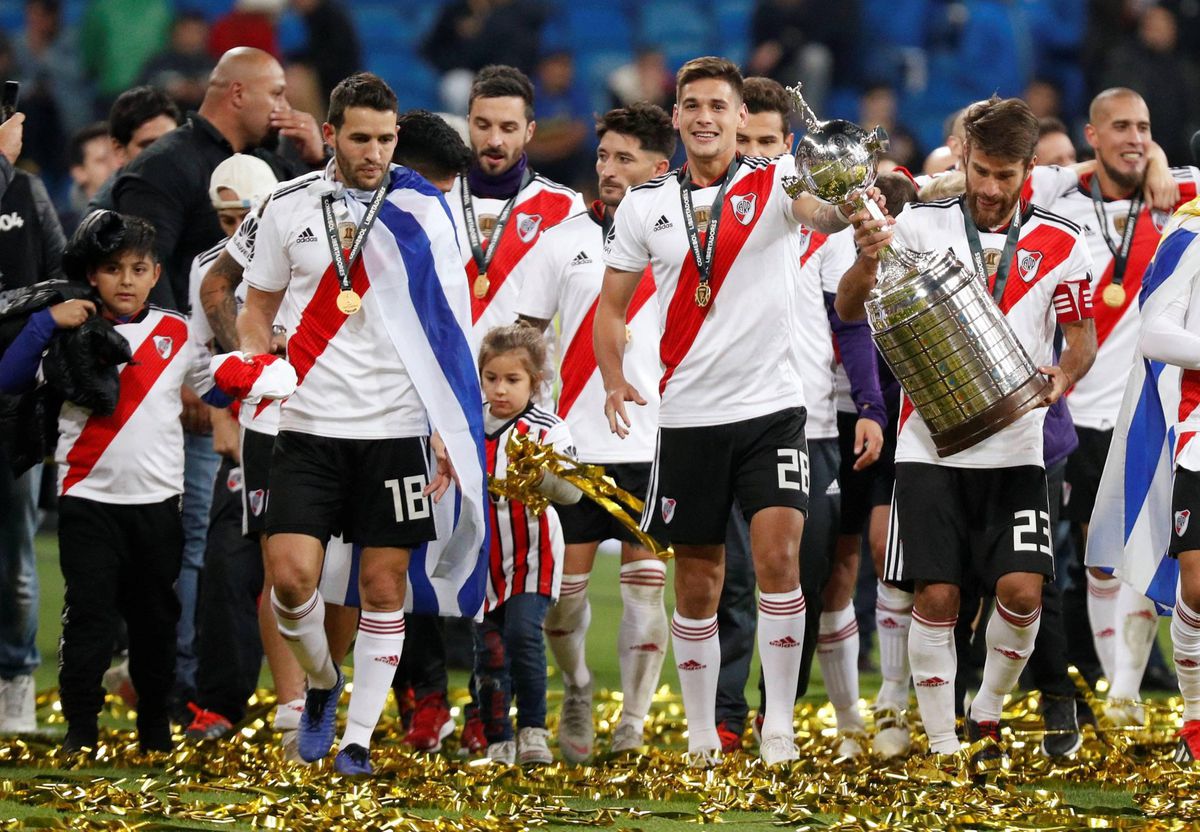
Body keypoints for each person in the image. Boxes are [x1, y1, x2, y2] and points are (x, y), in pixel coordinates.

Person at [597, 56, 861, 767]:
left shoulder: (776, 180)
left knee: (779, 559)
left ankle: (777, 725)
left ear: (742, 119)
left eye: (720, 105)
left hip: (775, 410)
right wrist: (614, 376)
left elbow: (823, 212)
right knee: (699, 579)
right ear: (676, 117)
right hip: (687, 417)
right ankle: (700, 732)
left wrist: (852, 201)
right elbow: (611, 307)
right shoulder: (645, 204)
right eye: (693, 105)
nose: (706, 117)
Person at [235, 72, 487, 777]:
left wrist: (446, 421)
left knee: (382, 587)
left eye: (385, 140)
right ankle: (321, 682)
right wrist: (258, 361)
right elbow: (257, 305)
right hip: (307, 422)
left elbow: (450, 322)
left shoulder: (423, 210)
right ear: (330, 136)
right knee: (290, 580)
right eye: (360, 139)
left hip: (396, 426)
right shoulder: (286, 206)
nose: (374, 153)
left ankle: (357, 740)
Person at [838, 96, 1097, 775]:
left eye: (1004, 176)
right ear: (964, 160)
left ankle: (986, 709)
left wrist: (1062, 378)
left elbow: (1081, 339)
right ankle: (947, 746)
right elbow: (849, 306)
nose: (988, 188)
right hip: (931, 446)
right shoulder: (919, 225)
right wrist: (866, 262)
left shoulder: (1062, 243)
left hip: (1017, 449)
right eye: (979, 171)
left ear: (1029, 170)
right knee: (938, 598)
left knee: (1021, 594)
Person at [0, 211, 226, 753]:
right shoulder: (67, 331)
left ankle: (155, 727)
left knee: (155, 621)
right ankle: (81, 730)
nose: (125, 280)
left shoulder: (178, 331)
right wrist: (45, 324)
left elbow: (216, 389)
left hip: (158, 504)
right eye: (112, 268)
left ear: (155, 274)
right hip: (86, 500)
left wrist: (262, 368)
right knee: (89, 619)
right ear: (92, 275)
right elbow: (8, 379)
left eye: (138, 268)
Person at [712, 76, 883, 758]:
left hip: (807, 420)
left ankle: (773, 712)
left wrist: (869, 403)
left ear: (789, 146)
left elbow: (849, 321)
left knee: (802, 578)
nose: (752, 154)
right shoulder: (702, 212)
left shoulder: (818, 220)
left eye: (764, 142)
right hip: (719, 414)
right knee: (726, 579)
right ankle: (725, 715)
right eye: (741, 140)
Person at [1022, 88, 1199, 724]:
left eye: (1145, 128)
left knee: (1136, 552)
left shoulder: (1179, 196)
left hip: (1143, 414)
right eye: (1120, 127)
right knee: (1090, 558)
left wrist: (1158, 162)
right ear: (1091, 136)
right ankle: (1077, 680)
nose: (1135, 137)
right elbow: (1007, 179)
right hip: (1069, 411)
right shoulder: (1058, 195)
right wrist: (1085, 170)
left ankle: (1123, 690)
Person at [516, 102, 674, 762]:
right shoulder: (562, 242)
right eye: (604, 156)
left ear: (659, 169)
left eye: (624, 158)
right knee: (562, 599)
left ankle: (632, 719)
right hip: (574, 446)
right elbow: (524, 339)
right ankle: (578, 685)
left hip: (655, 441)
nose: (608, 169)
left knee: (645, 588)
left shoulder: (681, 244)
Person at [114, 46, 325, 312]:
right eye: (277, 94)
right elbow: (145, 272)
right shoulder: (162, 165)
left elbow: (323, 235)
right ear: (238, 94)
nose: (285, 108)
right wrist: (175, 346)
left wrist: (319, 160)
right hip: (193, 345)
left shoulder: (269, 164)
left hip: (266, 340)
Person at [475, 322, 582, 765]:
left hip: (532, 550)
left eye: (512, 380)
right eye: (492, 378)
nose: (500, 390)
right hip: (481, 557)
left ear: (535, 383)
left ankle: (533, 731)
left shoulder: (549, 429)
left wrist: (541, 476)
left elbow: (573, 492)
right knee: (488, 649)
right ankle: (497, 738)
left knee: (522, 634)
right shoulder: (465, 422)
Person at [0, 109, 65, 734]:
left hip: (11, 402)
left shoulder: (28, 190)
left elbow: (57, 281)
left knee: (16, 554)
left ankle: (16, 685)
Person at [450, 65, 584, 351]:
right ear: (468, 123)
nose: (495, 140)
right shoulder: (436, 200)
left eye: (508, 128)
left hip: (528, 392)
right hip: (446, 389)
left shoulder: (565, 209)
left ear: (529, 131)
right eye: (483, 125)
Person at [88, 85, 182, 214]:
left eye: (170, 143)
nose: (163, 155)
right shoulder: (105, 220)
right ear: (119, 150)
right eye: (149, 146)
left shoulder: (202, 186)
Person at [138, 12, 216, 111]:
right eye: (187, 31)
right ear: (174, 34)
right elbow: (140, 95)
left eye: (197, 32)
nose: (191, 38)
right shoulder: (158, 64)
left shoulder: (215, 66)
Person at [65, 123, 118, 232]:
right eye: (102, 160)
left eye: (117, 155)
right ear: (79, 173)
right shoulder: (64, 231)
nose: (115, 165)